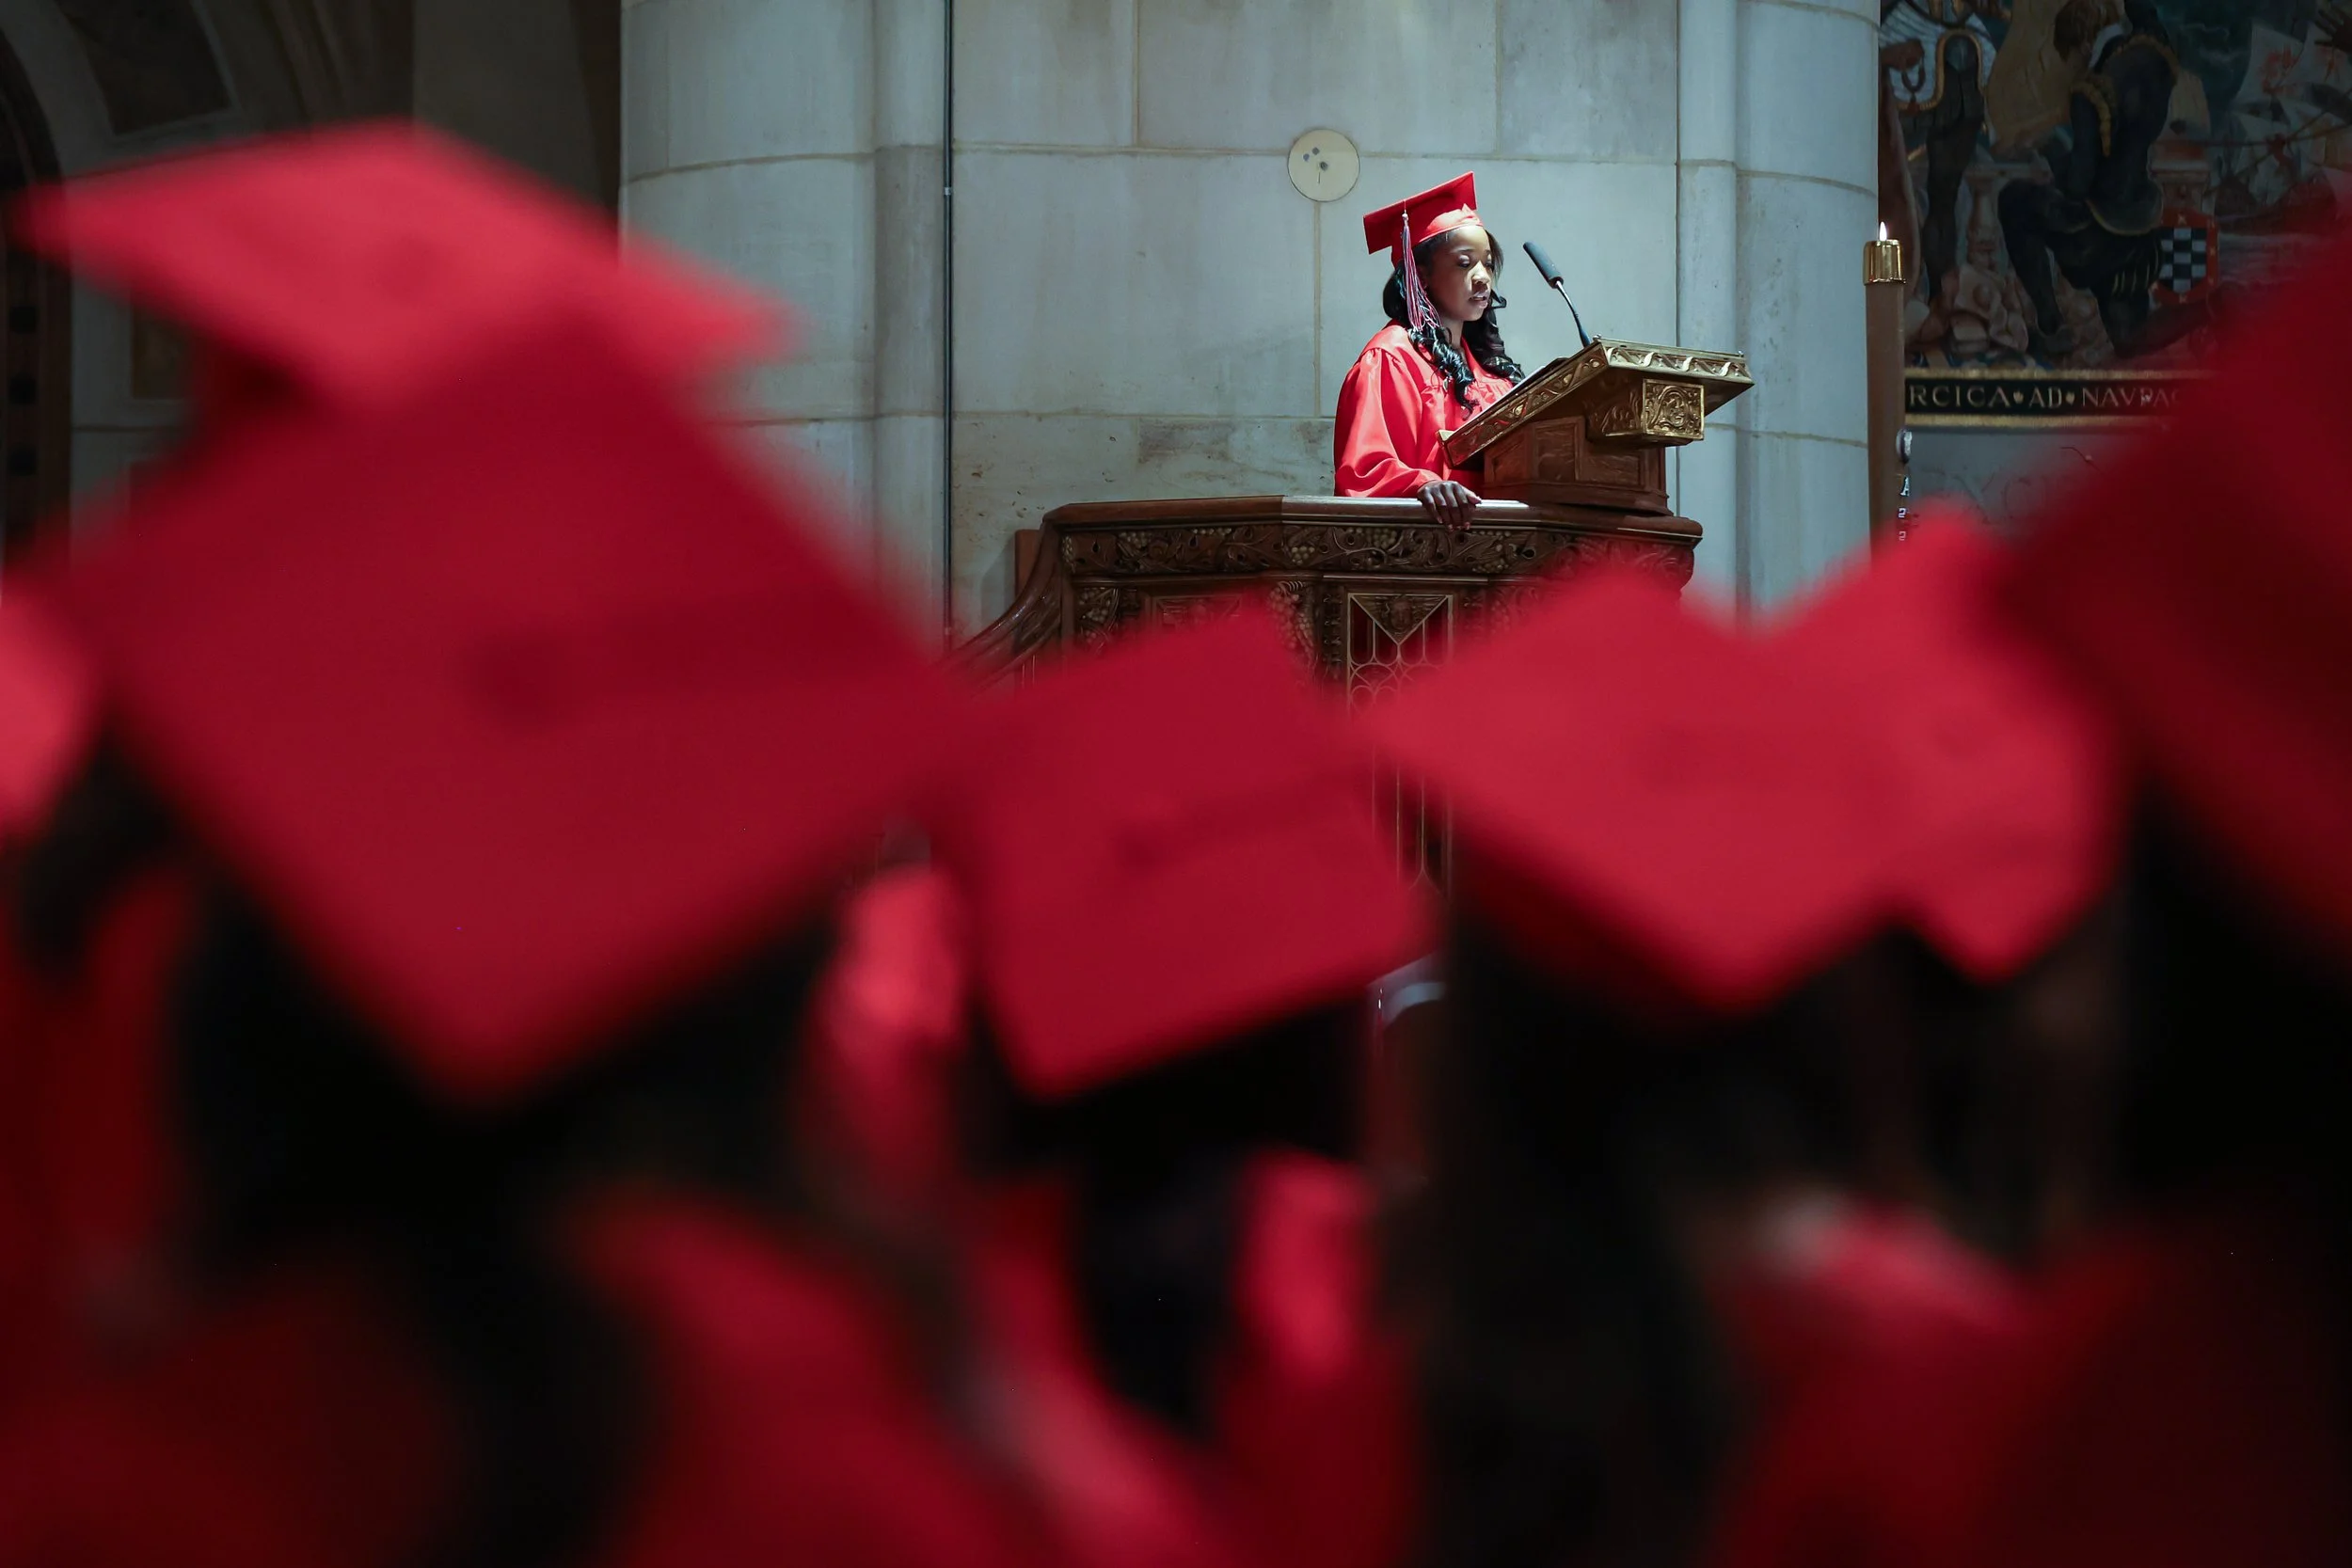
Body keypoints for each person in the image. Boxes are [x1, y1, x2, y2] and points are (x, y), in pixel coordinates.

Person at [1334, 174, 1524, 531]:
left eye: (1487, 263)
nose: (1483, 277)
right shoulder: (1391, 358)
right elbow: (1365, 470)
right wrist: (1424, 485)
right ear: (1420, 276)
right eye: (1465, 263)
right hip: (1424, 560)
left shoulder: (1490, 373)